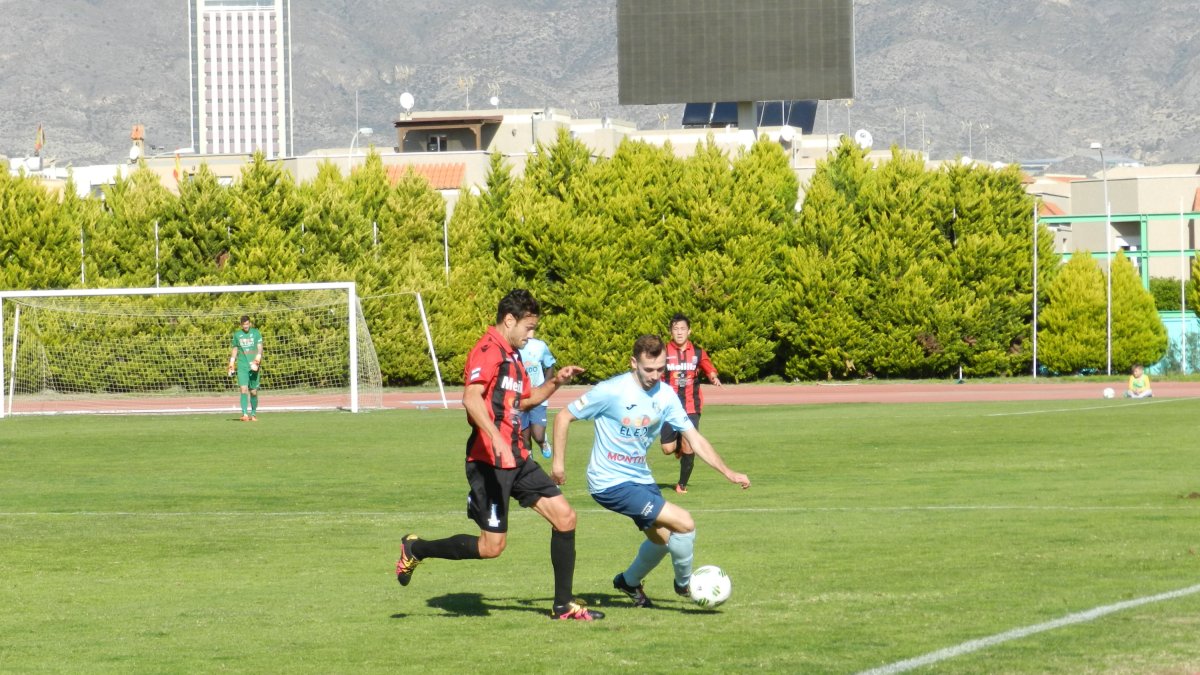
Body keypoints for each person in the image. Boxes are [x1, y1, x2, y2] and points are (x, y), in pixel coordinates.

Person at [394, 289, 603, 621]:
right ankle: (415, 548)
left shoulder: (514, 356)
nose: (531, 335)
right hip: (489, 463)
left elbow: (524, 401)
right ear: (510, 320)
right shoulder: (487, 350)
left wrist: (556, 382)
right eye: (529, 327)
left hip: (517, 458)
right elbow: (471, 399)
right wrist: (497, 439)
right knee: (492, 548)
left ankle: (562, 605)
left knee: (566, 518)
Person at [551, 334, 750, 608]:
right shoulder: (611, 391)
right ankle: (685, 585)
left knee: (664, 542)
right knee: (685, 523)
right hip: (609, 482)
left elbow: (694, 437)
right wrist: (558, 464)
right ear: (634, 363)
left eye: (660, 369)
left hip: (640, 478)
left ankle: (628, 582)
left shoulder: (666, 395)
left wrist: (728, 472)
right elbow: (564, 416)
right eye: (649, 369)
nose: (655, 376)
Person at [660, 313, 722, 494]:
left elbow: (709, 367)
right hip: (668, 407)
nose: (679, 333)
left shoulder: (697, 352)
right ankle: (678, 442)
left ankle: (682, 484)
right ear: (671, 331)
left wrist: (713, 377)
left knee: (690, 444)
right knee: (667, 449)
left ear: (689, 331)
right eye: (675, 329)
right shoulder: (663, 352)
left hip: (691, 407)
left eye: (682, 329)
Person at [518, 336, 557, 460]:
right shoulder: (510, 347)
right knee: (524, 438)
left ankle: (543, 442)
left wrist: (545, 387)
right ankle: (529, 461)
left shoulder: (539, 345)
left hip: (538, 396)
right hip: (519, 398)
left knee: (538, 435)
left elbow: (550, 364)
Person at [228, 315, 263, 421]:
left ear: (250, 324)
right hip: (242, 365)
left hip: (253, 365)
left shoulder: (256, 333)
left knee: (253, 391)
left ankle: (253, 413)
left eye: (247, 324)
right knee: (243, 389)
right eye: (244, 325)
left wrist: (257, 359)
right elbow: (234, 349)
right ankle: (244, 414)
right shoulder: (237, 335)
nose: (246, 326)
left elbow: (260, 347)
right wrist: (231, 363)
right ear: (241, 325)